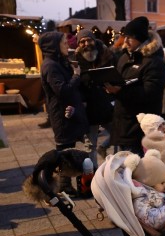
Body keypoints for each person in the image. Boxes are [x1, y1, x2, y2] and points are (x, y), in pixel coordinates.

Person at [105, 16, 165, 157]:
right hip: (123, 122)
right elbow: (120, 81)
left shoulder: (154, 61)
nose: (125, 41)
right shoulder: (125, 57)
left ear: (140, 38)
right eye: (125, 36)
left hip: (140, 127)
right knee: (125, 168)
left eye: (130, 37)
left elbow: (151, 93)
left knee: (137, 169)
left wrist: (120, 91)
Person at [38, 31, 89, 196]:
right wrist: (76, 76)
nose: (68, 45)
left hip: (68, 114)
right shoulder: (50, 66)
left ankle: (64, 185)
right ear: (54, 46)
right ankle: (48, 186)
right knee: (63, 151)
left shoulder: (58, 62)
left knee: (67, 151)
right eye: (64, 42)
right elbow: (62, 90)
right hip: (61, 116)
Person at [123, 149, 165, 233]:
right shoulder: (140, 200)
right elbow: (155, 221)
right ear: (149, 184)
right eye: (162, 183)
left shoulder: (160, 191)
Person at [74, 29, 115, 167]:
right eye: (82, 41)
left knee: (119, 133)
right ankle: (93, 175)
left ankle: (107, 152)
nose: (86, 43)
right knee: (90, 145)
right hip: (89, 109)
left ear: (94, 40)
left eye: (88, 40)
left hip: (106, 105)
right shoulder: (76, 60)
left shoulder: (106, 55)